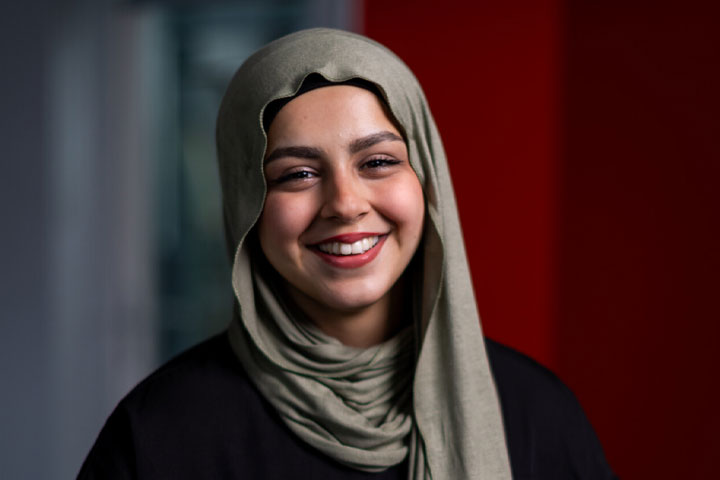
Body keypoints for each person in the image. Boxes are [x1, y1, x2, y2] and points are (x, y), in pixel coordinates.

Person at [79, 28, 616, 479]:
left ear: (426, 178)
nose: (344, 204)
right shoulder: (160, 435)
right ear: (248, 206)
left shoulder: (536, 414)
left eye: (377, 161)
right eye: (298, 174)